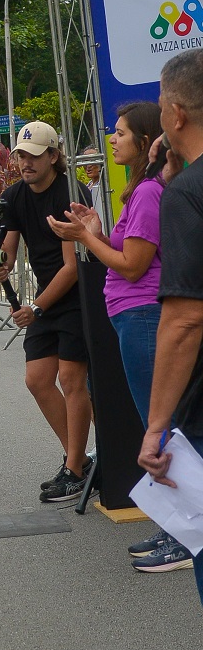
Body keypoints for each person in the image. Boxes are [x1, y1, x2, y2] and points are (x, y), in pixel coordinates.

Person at [47, 102, 190, 571]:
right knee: (160, 424)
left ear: (145, 140)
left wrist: (84, 238)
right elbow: (127, 252)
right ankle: (177, 525)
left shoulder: (147, 192)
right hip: (135, 317)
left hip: (144, 317)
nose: (112, 139)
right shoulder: (141, 191)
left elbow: (132, 265)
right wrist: (95, 231)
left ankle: (186, 533)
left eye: (121, 133)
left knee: (162, 427)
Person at [0, 121, 94, 503]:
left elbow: (71, 267)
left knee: (71, 378)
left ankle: (75, 470)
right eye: (20, 156)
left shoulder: (69, 193)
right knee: (36, 380)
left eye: (33, 156)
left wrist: (35, 306)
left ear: (52, 156)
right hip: (46, 295)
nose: (25, 163)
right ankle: (79, 461)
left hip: (77, 296)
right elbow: (9, 247)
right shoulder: (15, 195)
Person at [137, 49, 203, 604]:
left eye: (161, 104)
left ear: (177, 114)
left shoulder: (185, 196)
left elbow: (184, 319)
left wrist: (156, 427)